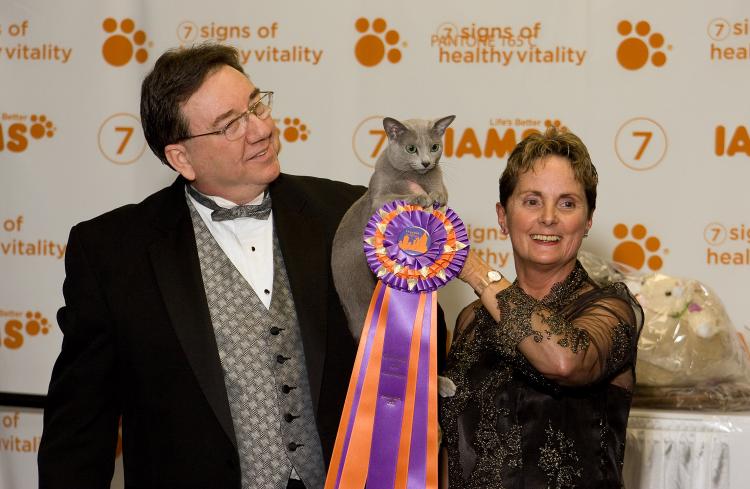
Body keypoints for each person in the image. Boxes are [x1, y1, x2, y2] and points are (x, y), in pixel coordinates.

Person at [38, 43, 365, 489]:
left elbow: (411, 346)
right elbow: (79, 429)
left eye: (256, 105)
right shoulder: (112, 253)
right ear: (181, 158)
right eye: (230, 124)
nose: (260, 129)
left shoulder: (347, 212)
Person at [439, 127, 643, 488]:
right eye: (532, 201)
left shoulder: (612, 309)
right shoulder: (471, 319)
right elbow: (450, 443)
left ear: (587, 221)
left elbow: (565, 360)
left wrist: (471, 267)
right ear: (503, 217)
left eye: (567, 203)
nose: (549, 217)